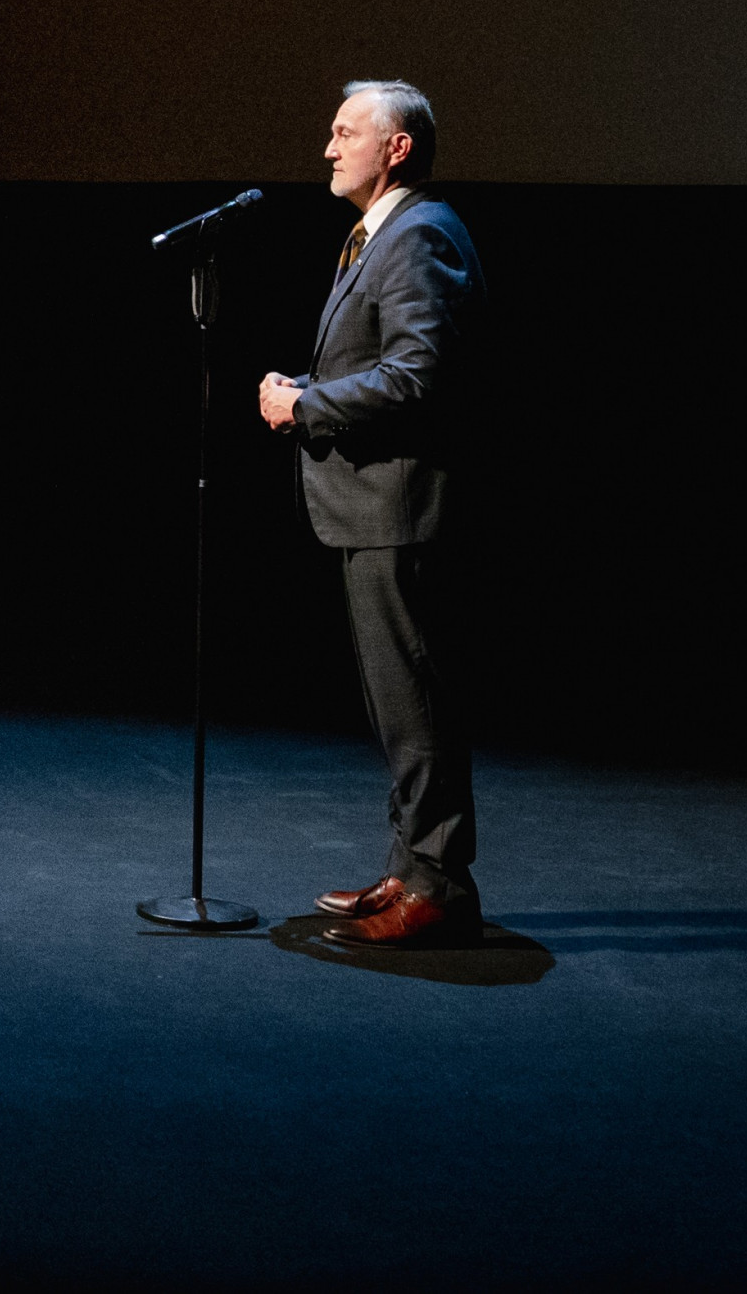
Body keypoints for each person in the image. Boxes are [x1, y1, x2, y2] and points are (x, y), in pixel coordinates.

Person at [257, 80, 489, 948]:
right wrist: (307, 388)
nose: (328, 147)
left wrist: (305, 408)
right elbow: (388, 366)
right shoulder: (379, 236)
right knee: (399, 702)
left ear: (397, 148)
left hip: (401, 507)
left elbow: (420, 375)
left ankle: (438, 886)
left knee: (416, 700)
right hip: (374, 509)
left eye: (346, 132)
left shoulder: (420, 233)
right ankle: (411, 867)